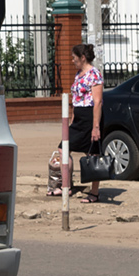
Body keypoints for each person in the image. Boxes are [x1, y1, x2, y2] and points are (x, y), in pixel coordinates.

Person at [48, 43, 103, 202]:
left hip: (90, 117)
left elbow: (98, 102)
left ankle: (94, 193)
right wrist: (72, 118)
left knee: (92, 154)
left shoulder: (94, 74)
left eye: (74, 58)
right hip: (78, 118)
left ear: (83, 58)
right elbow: (76, 99)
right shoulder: (79, 74)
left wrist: (96, 127)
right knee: (63, 148)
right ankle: (67, 187)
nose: (72, 61)